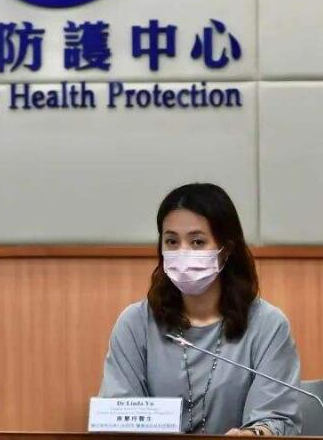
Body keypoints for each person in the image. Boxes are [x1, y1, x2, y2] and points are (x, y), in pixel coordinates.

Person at [99, 183, 302, 436]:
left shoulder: (267, 325)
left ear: (226, 250)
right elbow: (117, 417)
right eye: (172, 241)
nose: (182, 252)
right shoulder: (135, 323)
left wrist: (253, 435)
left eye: (197, 242)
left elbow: (275, 419)